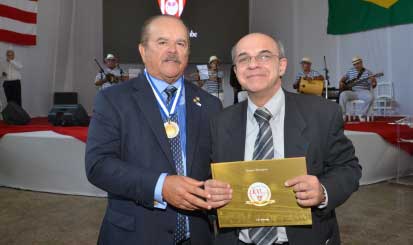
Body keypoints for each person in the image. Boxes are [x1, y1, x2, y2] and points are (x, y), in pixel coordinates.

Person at [85, 15, 231, 245]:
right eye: (162, 42)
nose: (173, 50)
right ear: (143, 51)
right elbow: (98, 165)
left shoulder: (210, 104)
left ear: (188, 53)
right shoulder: (113, 99)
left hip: (197, 236)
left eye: (181, 43)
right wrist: (160, 186)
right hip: (135, 236)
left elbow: (217, 168)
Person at [210, 33, 361, 245]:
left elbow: (348, 168)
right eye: (243, 59)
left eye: (264, 56)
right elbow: (207, 176)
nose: (253, 64)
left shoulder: (323, 114)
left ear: (282, 66)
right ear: (236, 71)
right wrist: (210, 190)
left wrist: (323, 191)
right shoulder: (220, 122)